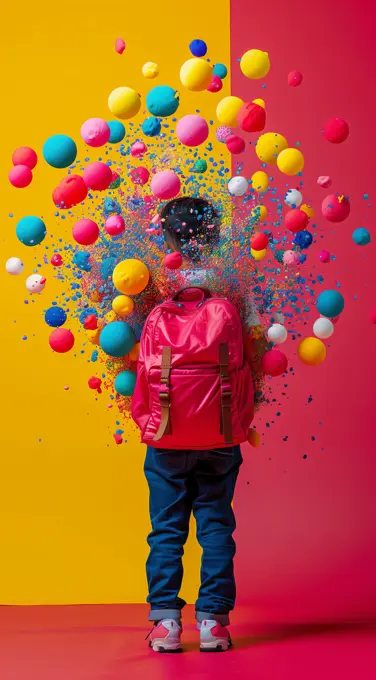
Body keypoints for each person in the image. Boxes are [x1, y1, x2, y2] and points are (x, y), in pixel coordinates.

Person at [140, 197, 264, 653]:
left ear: (168, 238)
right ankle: (214, 623)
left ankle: (166, 624)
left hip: (167, 430)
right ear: (215, 237)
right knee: (215, 524)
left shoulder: (153, 285)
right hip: (220, 427)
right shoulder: (233, 286)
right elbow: (252, 351)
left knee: (166, 527)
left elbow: (138, 359)